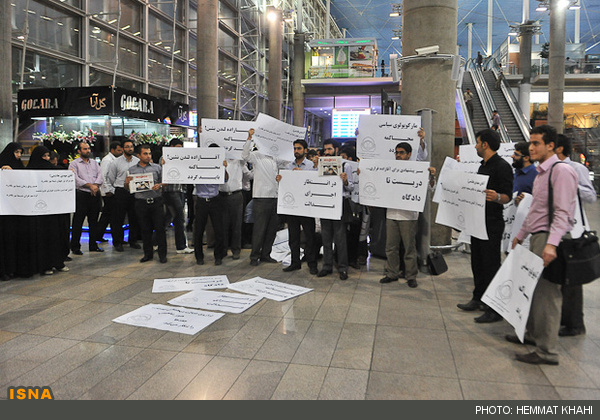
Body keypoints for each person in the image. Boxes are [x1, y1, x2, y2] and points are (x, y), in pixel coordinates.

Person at [508, 125, 578, 366]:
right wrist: (520, 234)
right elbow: (536, 211)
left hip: (549, 239)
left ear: (551, 145)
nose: (531, 147)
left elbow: (563, 213)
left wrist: (551, 245)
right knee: (533, 291)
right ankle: (531, 335)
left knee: (547, 295)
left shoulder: (562, 171)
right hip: (537, 237)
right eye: (531, 143)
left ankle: (547, 351)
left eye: (536, 143)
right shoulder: (541, 174)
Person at [456, 129, 513, 323]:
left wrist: (496, 197)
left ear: (485, 144)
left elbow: (507, 196)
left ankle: (494, 308)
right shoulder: (483, 165)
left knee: (490, 264)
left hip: (492, 222)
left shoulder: (503, 166)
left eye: (478, 142)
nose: (475, 146)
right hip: (477, 220)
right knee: (477, 262)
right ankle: (478, 297)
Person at [555, 134, 597, 337]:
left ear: (559, 149)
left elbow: (590, 196)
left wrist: (572, 184)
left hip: (575, 231)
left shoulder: (577, 169)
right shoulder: (550, 169)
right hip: (558, 230)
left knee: (572, 279)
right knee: (561, 277)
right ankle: (564, 319)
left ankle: (575, 324)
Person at [380, 142, 436, 288]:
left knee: (409, 247)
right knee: (390, 247)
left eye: (402, 152)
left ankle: (411, 276)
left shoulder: (417, 170)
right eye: (397, 152)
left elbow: (430, 189)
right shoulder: (390, 169)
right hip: (391, 213)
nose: (398, 155)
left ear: (409, 154)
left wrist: (431, 177)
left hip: (409, 216)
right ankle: (392, 273)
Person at [242, 128, 289, 266]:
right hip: (261, 197)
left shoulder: (275, 158)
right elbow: (245, 156)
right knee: (260, 228)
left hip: (275, 197)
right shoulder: (257, 155)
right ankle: (254, 256)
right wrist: (249, 138)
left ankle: (266, 254)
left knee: (272, 229)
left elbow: (287, 162)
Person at [276, 139, 318, 275]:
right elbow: (285, 185)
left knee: (310, 237)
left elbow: (316, 182)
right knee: (293, 236)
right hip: (292, 206)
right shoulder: (288, 167)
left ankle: (312, 263)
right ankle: (295, 262)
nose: (296, 151)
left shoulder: (312, 166)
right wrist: (280, 179)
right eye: (294, 148)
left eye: (299, 148)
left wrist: (302, 174)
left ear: (305, 150)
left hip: (306, 206)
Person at [27, 146, 70, 275]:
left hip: (54, 212)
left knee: (55, 237)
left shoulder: (56, 171)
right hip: (37, 214)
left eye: (47, 156)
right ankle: (44, 265)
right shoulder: (27, 172)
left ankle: (57, 262)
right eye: (43, 156)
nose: (46, 159)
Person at [318, 139, 353, 280]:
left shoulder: (346, 165)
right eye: (325, 150)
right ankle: (327, 265)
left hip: (339, 203)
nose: (327, 152)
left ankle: (343, 267)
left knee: (340, 238)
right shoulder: (321, 165)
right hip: (325, 202)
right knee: (325, 236)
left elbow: (351, 187)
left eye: (329, 149)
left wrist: (345, 181)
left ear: (337, 150)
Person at [127, 144, 167, 263]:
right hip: (141, 203)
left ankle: (162, 255)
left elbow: (165, 182)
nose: (148, 156)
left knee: (160, 229)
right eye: (145, 154)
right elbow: (129, 188)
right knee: (145, 230)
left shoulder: (157, 167)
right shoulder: (132, 170)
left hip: (156, 201)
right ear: (138, 155)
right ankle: (147, 254)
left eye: (149, 153)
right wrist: (126, 182)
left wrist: (159, 185)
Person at [193, 144, 229, 266]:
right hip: (201, 200)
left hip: (215, 199)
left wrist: (224, 169)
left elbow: (225, 180)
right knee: (198, 230)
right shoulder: (198, 163)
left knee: (219, 230)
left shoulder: (219, 165)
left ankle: (218, 256)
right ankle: (199, 257)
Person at [68, 142, 104, 255]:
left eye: (88, 149)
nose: (88, 151)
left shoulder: (94, 163)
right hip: (82, 195)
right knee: (78, 222)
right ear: (79, 151)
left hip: (94, 195)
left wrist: (96, 186)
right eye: (85, 149)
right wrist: (90, 185)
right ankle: (75, 246)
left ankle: (93, 245)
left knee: (93, 221)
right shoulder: (74, 164)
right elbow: (75, 179)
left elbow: (100, 176)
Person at [107, 139, 141, 252]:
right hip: (121, 191)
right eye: (127, 147)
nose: (129, 149)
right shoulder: (115, 162)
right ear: (122, 149)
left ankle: (133, 241)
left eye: (131, 146)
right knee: (118, 219)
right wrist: (114, 190)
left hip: (134, 192)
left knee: (134, 217)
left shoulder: (137, 161)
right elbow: (111, 178)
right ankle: (118, 242)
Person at [162, 138, 193, 255]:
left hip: (180, 190)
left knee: (168, 218)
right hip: (171, 191)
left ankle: (155, 241)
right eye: (177, 148)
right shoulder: (164, 158)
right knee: (179, 218)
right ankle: (181, 246)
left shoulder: (183, 159)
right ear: (171, 147)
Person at [220, 152, 252, 260]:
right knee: (222, 225)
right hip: (222, 195)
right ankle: (223, 250)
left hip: (236, 195)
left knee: (236, 224)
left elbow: (249, 173)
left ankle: (236, 250)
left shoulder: (239, 160)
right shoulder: (219, 159)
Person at [96, 141, 123, 244]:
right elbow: (103, 176)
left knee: (107, 216)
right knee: (110, 216)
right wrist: (107, 190)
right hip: (108, 192)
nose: (120, 152)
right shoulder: (107, 160)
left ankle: (99, 235)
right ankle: (100, 235)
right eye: (118, 150)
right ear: (112, 150)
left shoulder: (116, 159)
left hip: (112, 191)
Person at [512, 141, 537, 205]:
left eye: (516, 154)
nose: (512, 156)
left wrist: (525, 200)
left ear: (526, 158)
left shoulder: (536, 175)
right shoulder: (517, 172)